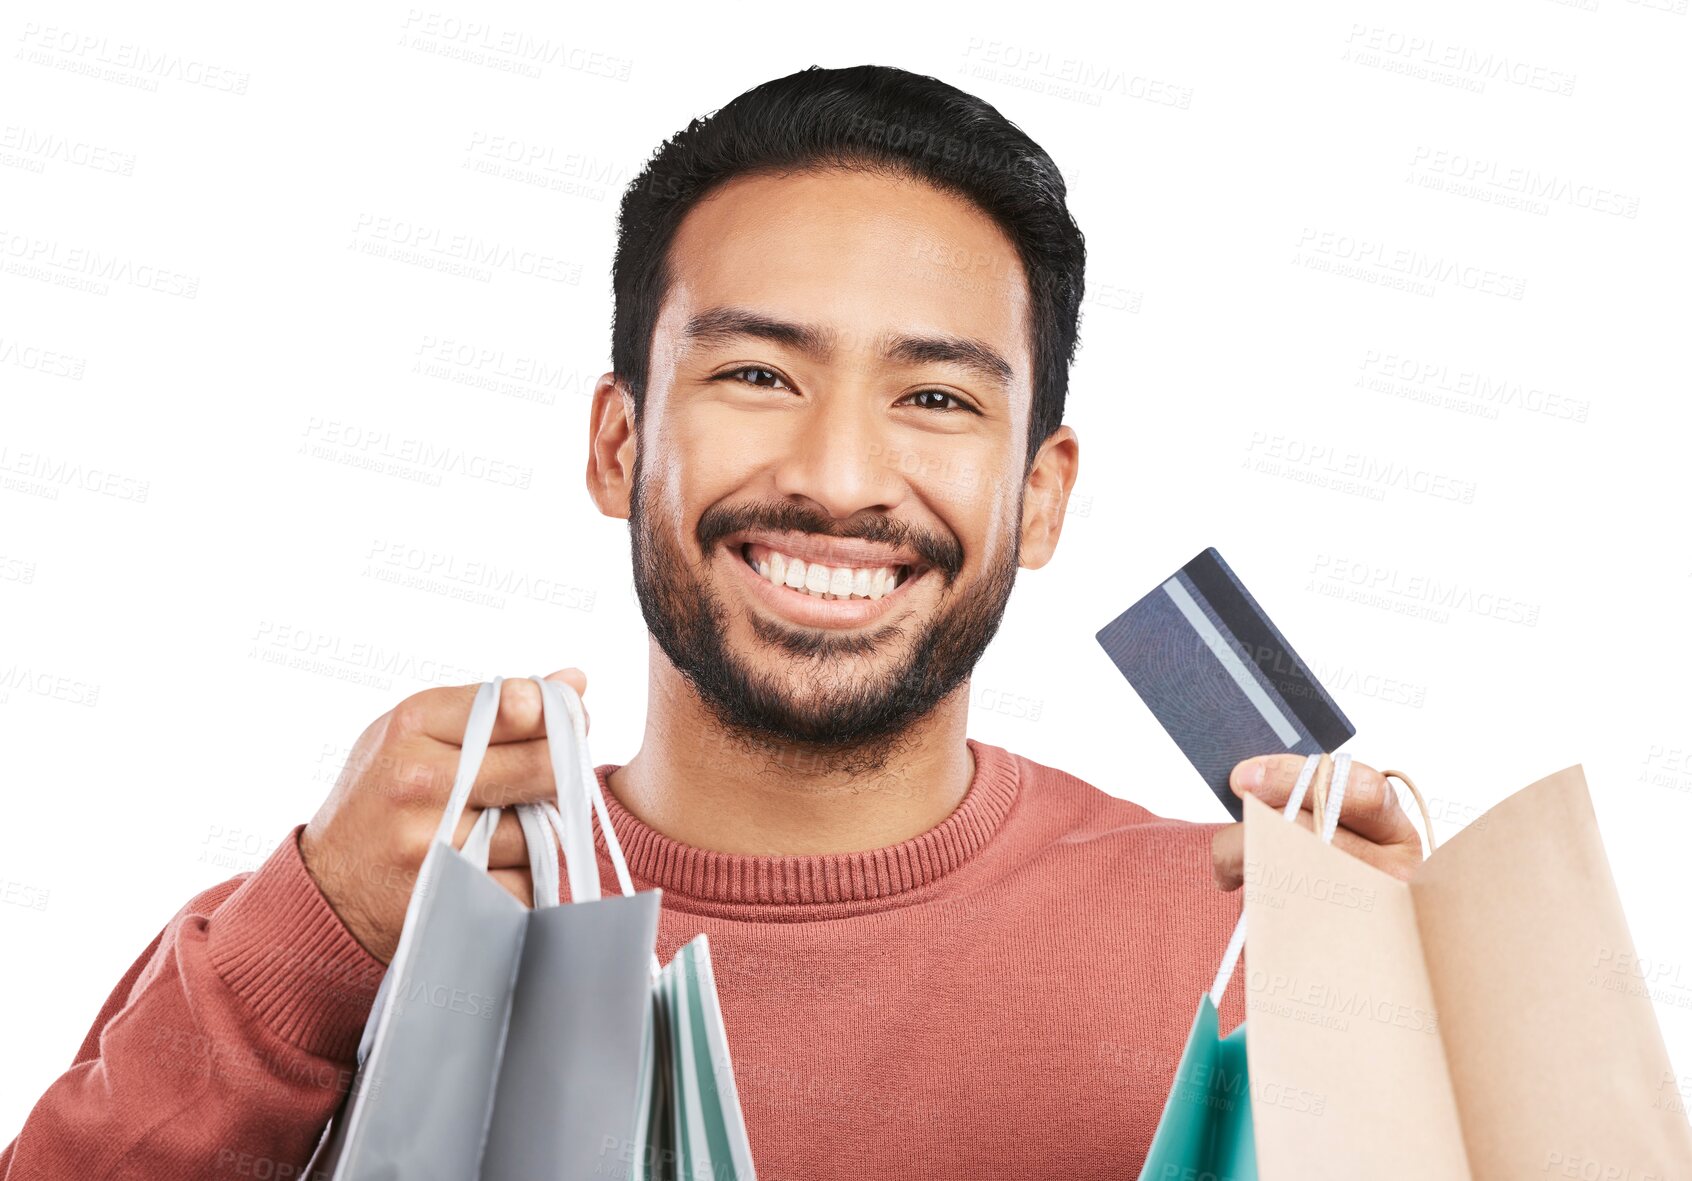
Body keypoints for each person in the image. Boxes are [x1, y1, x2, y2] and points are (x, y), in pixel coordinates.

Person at [0, 64, 1426, 1179]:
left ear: (1040, 497)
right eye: (756, 373)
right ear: (618, 442)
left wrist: (1428, 1048)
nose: (836, 477)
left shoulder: (1240, 938)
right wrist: (307, 940)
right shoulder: (379, 912)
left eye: (934, 397)